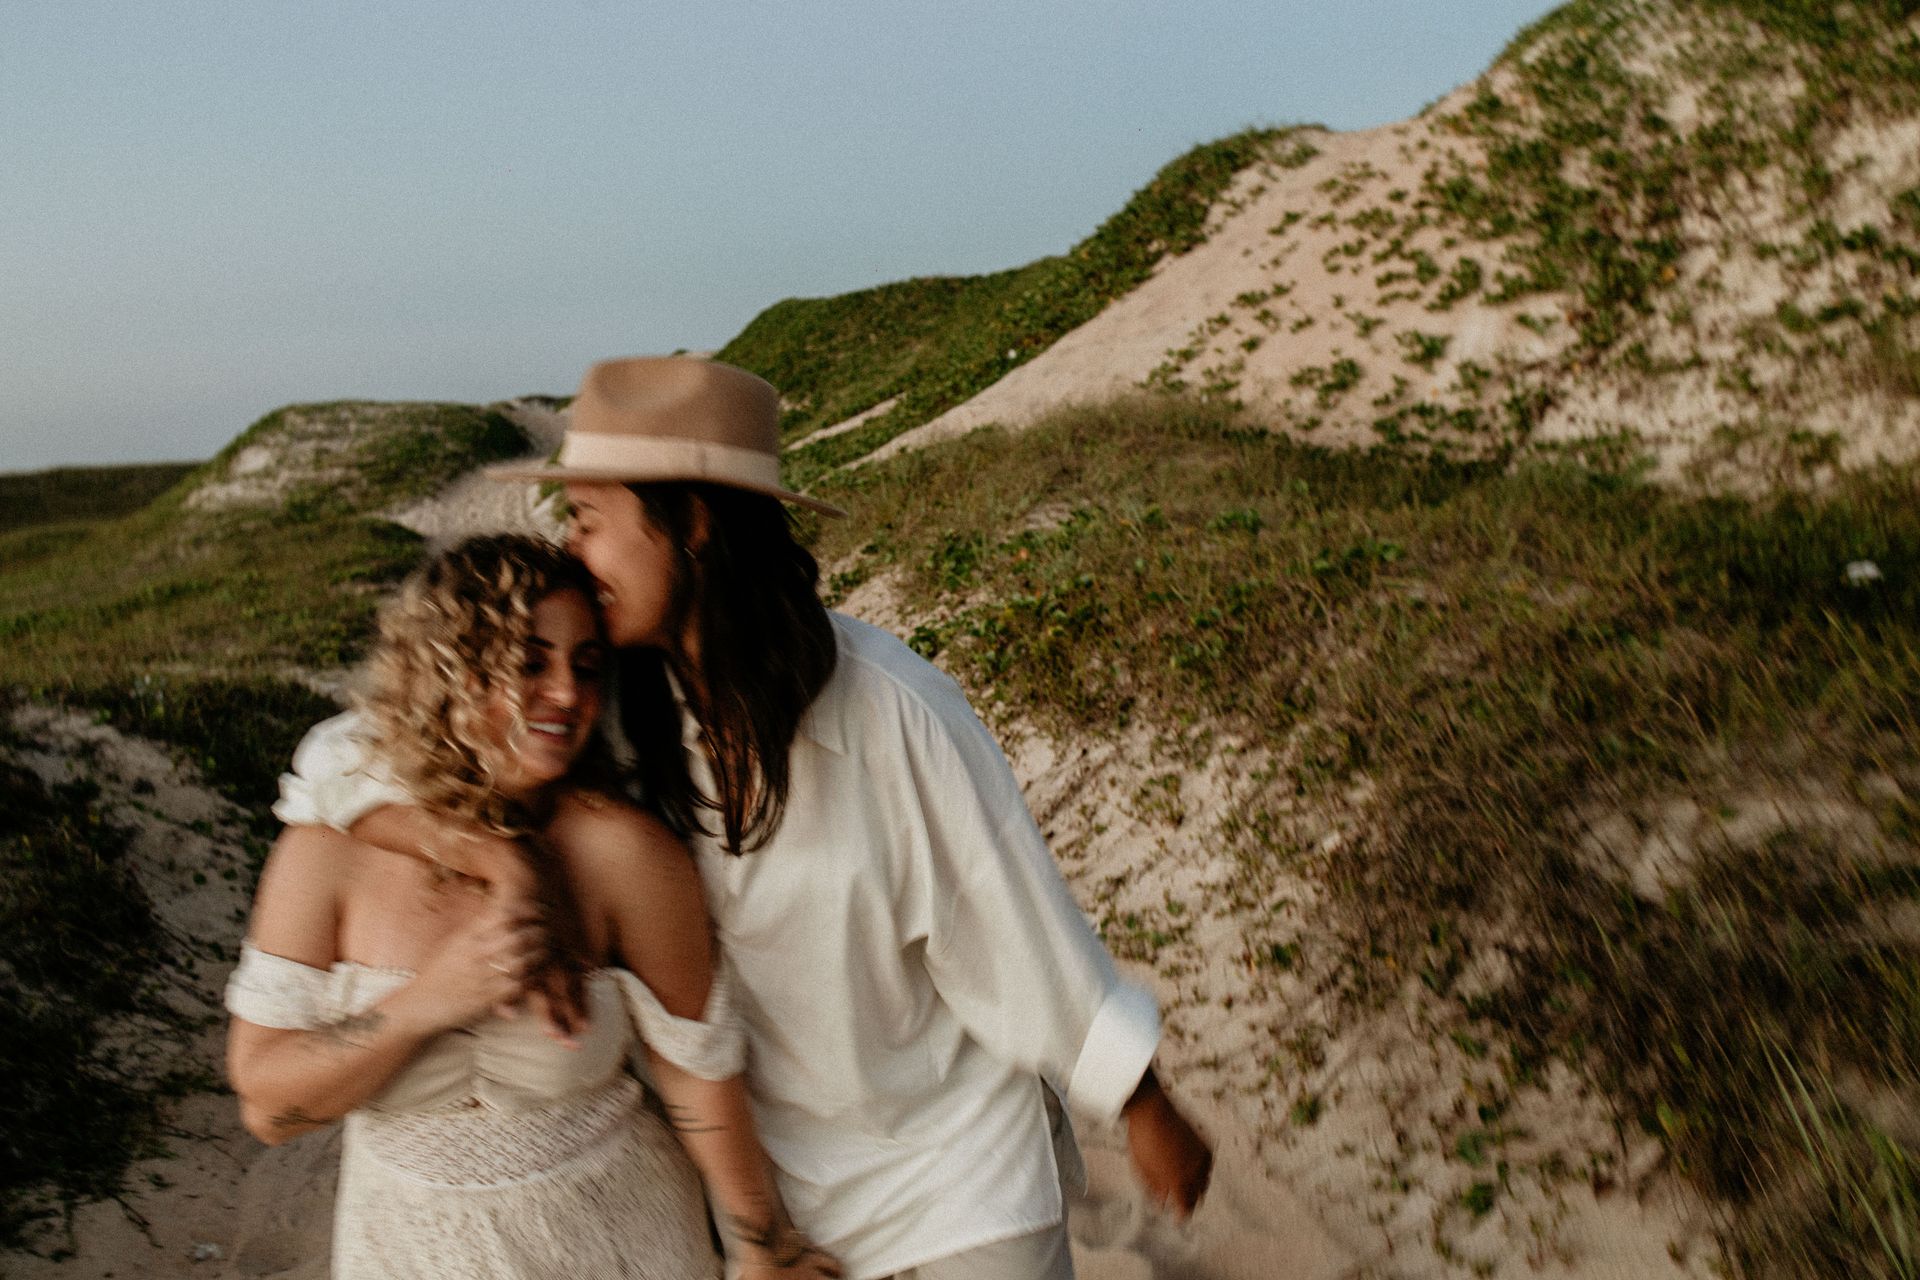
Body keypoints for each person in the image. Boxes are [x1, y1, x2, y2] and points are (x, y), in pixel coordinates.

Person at [278, 357, 1214, 1280]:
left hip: (954, 1177)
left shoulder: (889, 709)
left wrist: (1139, 1102)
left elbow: (1006, 911)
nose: (573, 553)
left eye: (590, 520)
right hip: (774, 1195)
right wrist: (494, 858)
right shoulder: (610, 697)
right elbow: (343, 759)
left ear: (690, 525)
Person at [226, 535, 838, 1280]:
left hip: (620, 1238)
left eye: (585, 667)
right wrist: (429, 1001)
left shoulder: (623, 853)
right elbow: (270, 1111)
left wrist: (760, 1247)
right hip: (406, 1250)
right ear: (450, 666)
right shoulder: (328, 853)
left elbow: (695, 1072)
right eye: (529, 662)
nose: (567, 694)